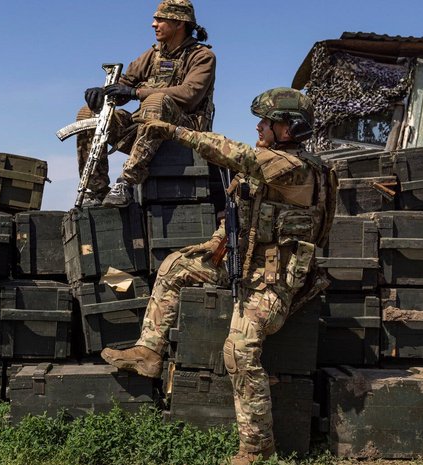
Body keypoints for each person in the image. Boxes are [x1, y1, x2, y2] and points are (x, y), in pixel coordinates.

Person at [101, 88, 335, 464]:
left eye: (267, 121)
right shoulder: (271, 163)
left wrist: (172, 130)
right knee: (175, 266)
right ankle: (149, 351)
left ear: (289, 128)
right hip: (242, 263)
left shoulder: (296, 168)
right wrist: (216, 247)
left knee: (239, 352)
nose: (259, 126)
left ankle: (257, 450)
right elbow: (240, 213)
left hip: (273, 281)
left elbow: (232, 152)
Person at [75, 0, 215, 207]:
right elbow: (124, 86)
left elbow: (189, 94)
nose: (153, 24)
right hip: (145, 129)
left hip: (185, 133)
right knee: (87, 114)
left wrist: (138, 92)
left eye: (160, 19)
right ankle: (96, 189)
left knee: (156, 100)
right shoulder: (152, 55)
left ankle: (126, 182)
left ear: (179, 23)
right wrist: (103, 93)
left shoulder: (202, 56)